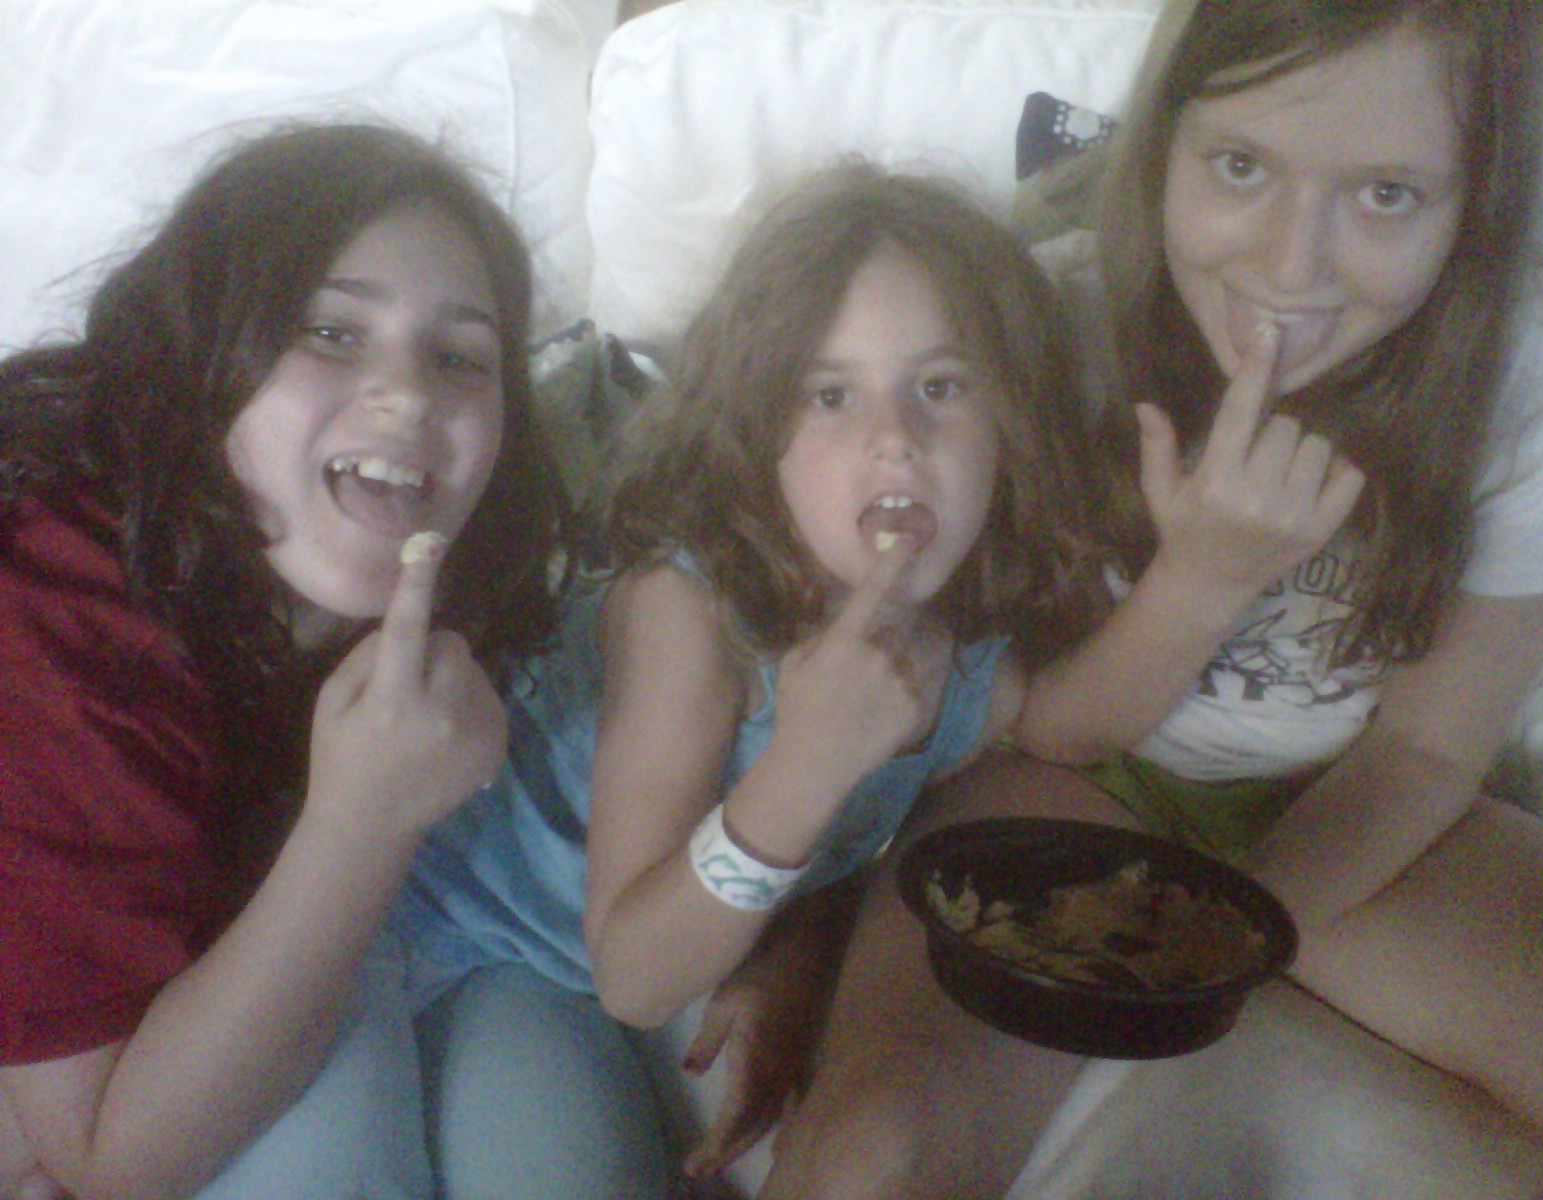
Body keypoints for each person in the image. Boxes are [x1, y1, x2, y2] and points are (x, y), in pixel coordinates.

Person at [758, 1, 1543, 1196]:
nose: (1290, 268)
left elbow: (1424, 751)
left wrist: (1220, 938)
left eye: (1386, 195)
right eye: (1241, 166)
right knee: (868, 1158)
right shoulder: (1040, 314)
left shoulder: (1540, 380)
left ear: (1477, 202)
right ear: (1164, 141)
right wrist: (796, 931)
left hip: (1358, 796)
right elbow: (933, 682)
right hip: (1059, 772)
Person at [397, 159, 1117, 1184]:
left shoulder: (973, 660)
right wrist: (806, 768)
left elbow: (1057, 732)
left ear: (1013, 426)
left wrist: (804, 942)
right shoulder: (688, 614)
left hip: (677, 946)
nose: (894, 441)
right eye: (830, 395)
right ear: (753, 435)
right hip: (481, 941)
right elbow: (633, 975)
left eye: (941, 387)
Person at [0, 122, 566, 1199]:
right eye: (332, 332)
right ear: (202, 356)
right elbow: (114, 1160)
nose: (409, 395)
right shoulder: (59, 606)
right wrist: (365, 821)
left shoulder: (419, 588)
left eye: (459, 357)